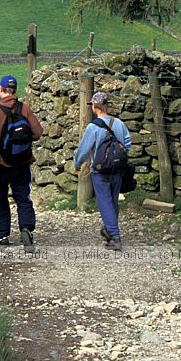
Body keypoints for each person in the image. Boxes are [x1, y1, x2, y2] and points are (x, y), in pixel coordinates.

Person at [0, 75, 43, 251]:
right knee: (23, 198)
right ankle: (26, 229)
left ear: (1, 89)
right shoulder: (25, 109)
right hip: (22, 163)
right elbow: (37, 133)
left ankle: (2, 235)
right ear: (15, 91)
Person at [74, 91, 132, 251]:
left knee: (104, 201)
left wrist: (77, 163)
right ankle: (109, 228)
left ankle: (114, 235)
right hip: (118, 169)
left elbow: (84, 149)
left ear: (94, 106)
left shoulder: (93, 127)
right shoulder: (118, 123)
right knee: (113, 200)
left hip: (100, 170)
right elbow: (128, 143)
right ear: (106, 105)